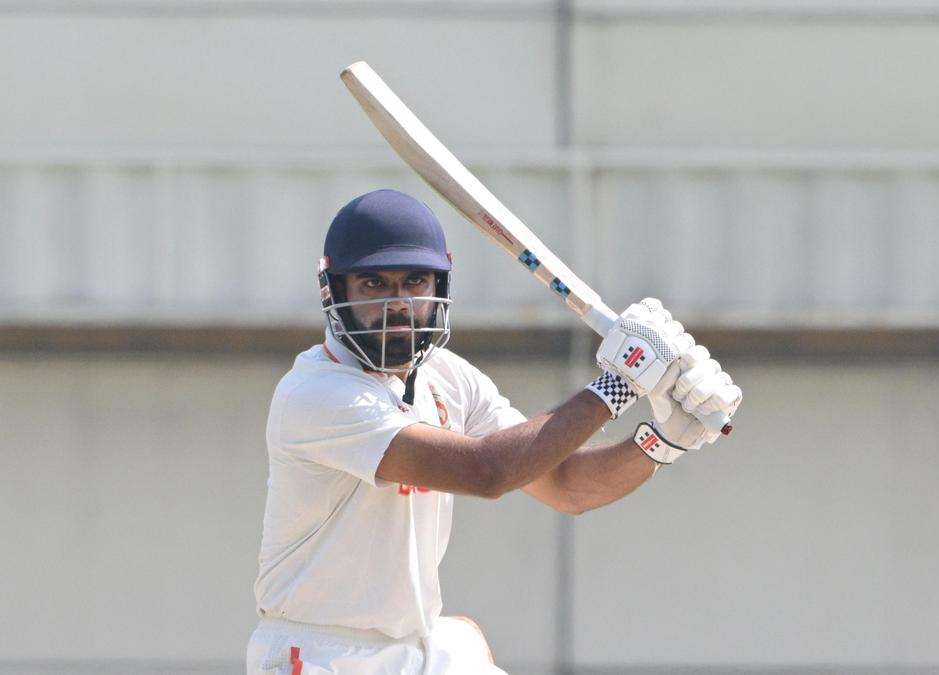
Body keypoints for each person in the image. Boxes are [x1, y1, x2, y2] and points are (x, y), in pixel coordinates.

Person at [246, 189, 742, 674]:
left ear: (439, 286)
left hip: (415, 650)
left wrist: (662, 442)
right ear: (334, 291)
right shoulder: (317, 394)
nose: (398, 304)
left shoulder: (448, 377)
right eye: (373, 284)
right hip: (319, 653)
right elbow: (487, 471)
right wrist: (617, 385)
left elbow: (565, 483)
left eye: (415, 281)